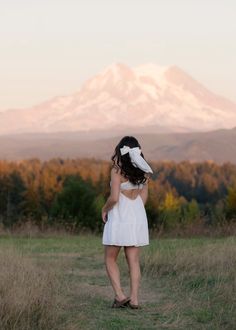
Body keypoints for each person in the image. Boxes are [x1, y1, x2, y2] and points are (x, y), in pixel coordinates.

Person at [101, 136, 153, 309]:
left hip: (120, 216)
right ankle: (135, 299)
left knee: (110, 258)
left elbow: (114, 197)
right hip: (136, 214)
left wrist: (104, 209)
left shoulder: (117, 171)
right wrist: (136, 210)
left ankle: (120, 295)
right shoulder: (144, 170)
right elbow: (144, 195)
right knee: (134, 260)